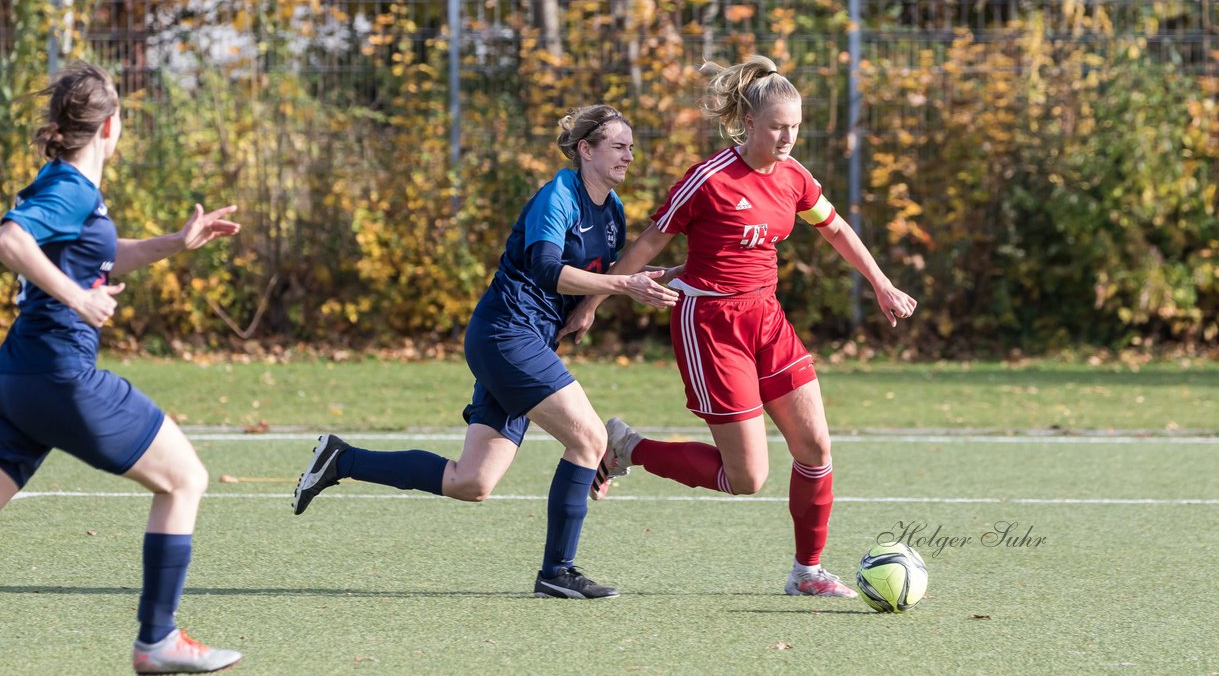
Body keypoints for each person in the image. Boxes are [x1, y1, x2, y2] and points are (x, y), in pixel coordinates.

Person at [292, 105, 678, 599]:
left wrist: (592, 305)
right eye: (618, 146)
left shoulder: (612, 211)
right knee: (587, 440)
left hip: (527, 340)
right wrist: (622, 285)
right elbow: (544, 268)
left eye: (630, 145)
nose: (629, 155)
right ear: (586, 150)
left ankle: (341, 461)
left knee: (470, 482)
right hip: (505, 334)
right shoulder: (559, 195)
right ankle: (557, 573)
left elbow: (592, 274)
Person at [577, 55, 918, 597]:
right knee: (746, 480)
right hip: (710, 325)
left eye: (796, 126)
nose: (787, 137)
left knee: (815, 448)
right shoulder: (707, 179)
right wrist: (597, 298)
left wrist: (881, 283)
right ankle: (626, 448)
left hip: (767, 318)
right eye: (778, 127)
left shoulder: (795, 177)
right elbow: (649, 243)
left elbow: (835, 231)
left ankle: (807, 572)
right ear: (750, 124)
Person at [0, 61, 243, 672]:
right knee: (185, 479)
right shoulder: (71, 189)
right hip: (60, 375)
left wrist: (171, 244)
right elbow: (9, 240)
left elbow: (98, 255)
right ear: (112, 126)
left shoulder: (68, 184)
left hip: (21, 377)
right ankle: (157, 640)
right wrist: (78, 298)